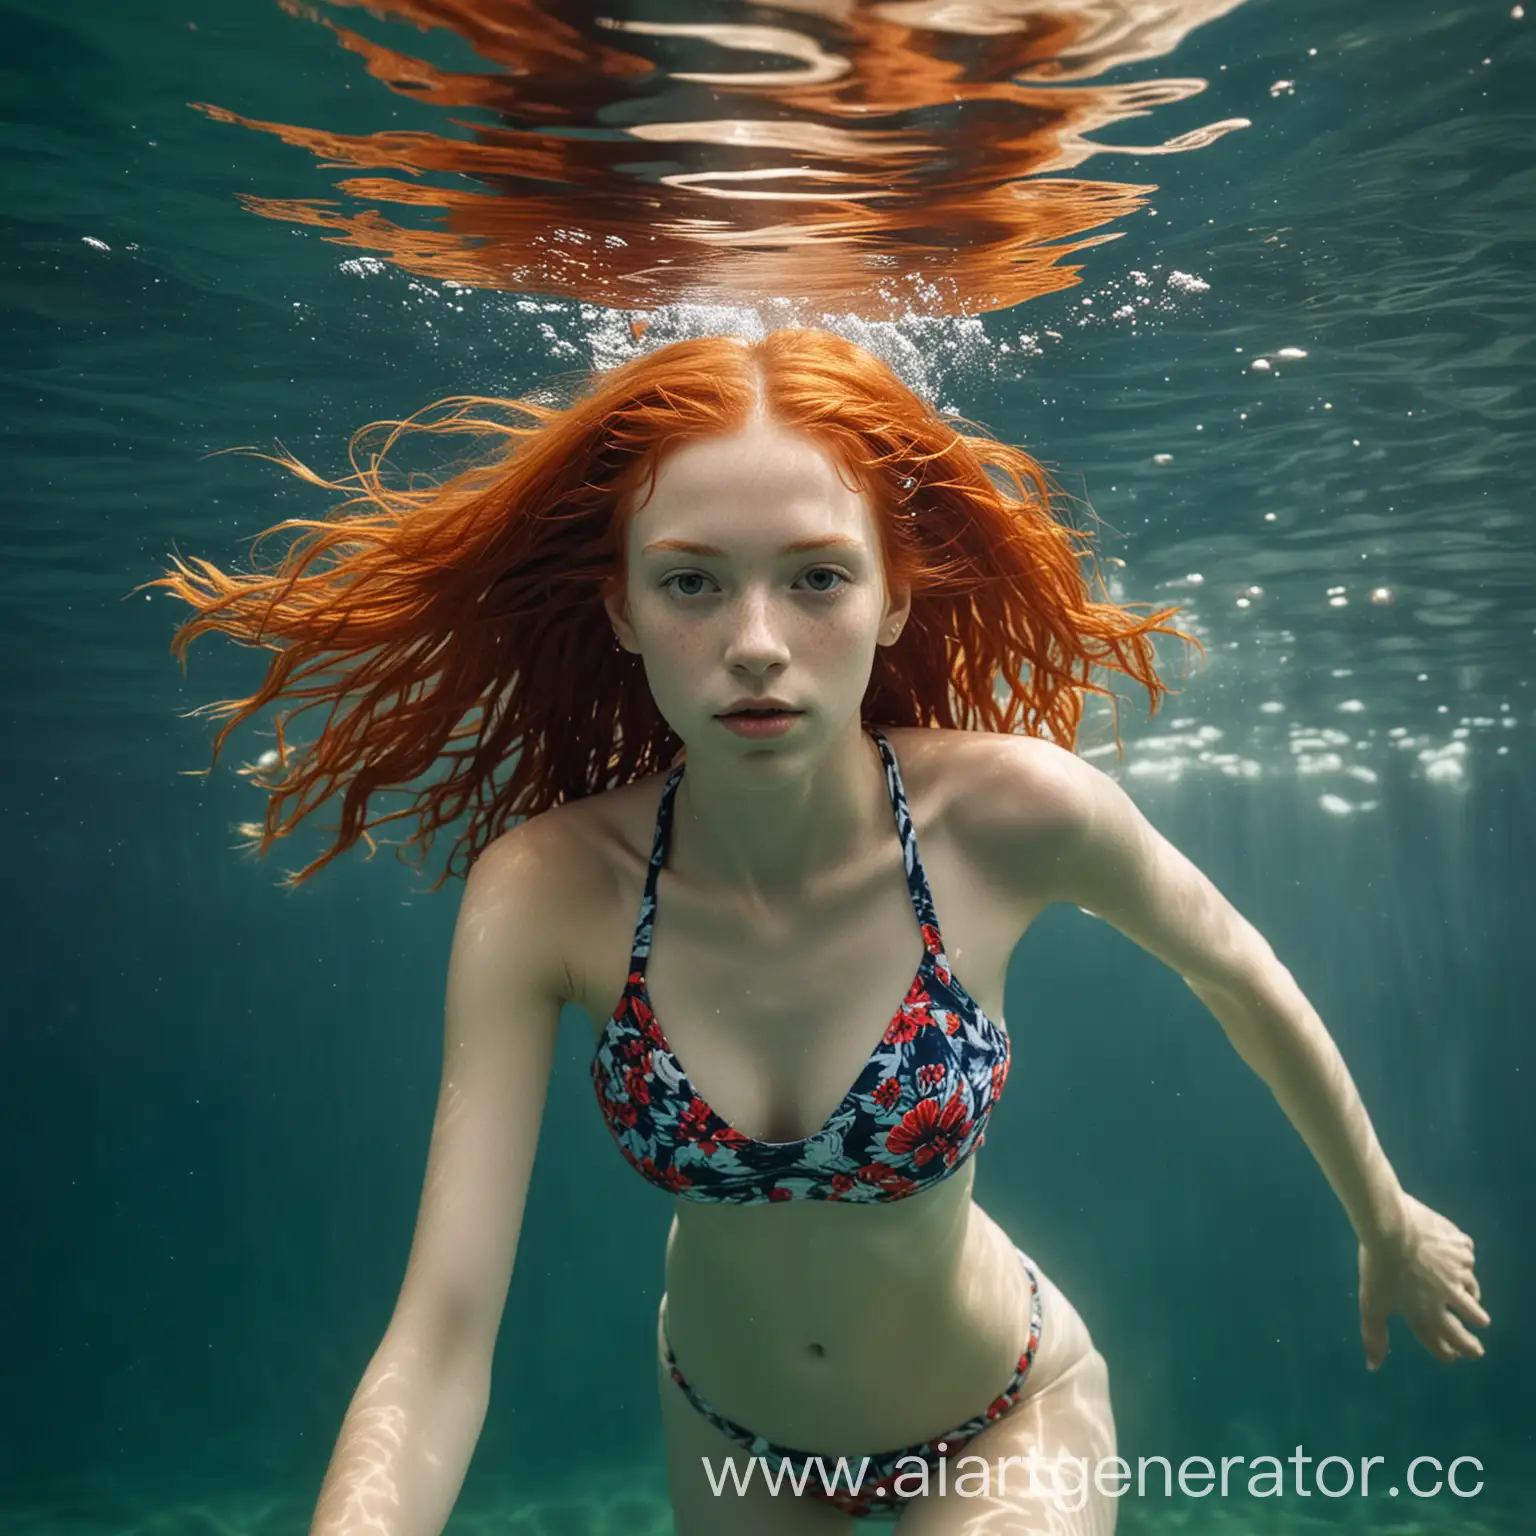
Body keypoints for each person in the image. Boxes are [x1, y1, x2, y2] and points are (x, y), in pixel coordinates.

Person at [148, 329, 1489, 1534]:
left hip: (1007, 1411)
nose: (756, 643)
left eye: (816, 578)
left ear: (892, 597)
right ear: (619, 607)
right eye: (690, 585)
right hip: (729, 1439)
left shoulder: (1008, 815)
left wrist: (1384, 1218)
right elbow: (440, 1335)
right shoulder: (548, 890)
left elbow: (1235, 971)